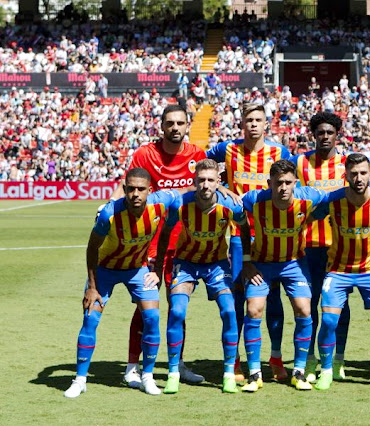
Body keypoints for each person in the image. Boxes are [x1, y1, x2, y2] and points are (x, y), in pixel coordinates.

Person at [64, 168, 179, 398]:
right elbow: (92, 248)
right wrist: (93, 287)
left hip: (137, 270)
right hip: (105, 271)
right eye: (131, 189)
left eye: (141, 189)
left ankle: (147, 376)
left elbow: (170, 224)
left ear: (150, 190)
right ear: (124, 189)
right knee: (90, 318)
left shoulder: (162, 203)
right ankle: (80, 380)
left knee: (153, 317)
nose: (135, 193)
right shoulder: (109, 214)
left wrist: (157, 269)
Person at [118, 104, 208, 389]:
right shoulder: (145, 154)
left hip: (184, 245)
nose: (175, 128)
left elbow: (205, 190)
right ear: (162, 126)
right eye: (170, 123)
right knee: (146, 307)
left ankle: (176, 364)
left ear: (187, 126)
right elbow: (129, 187)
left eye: (180, 123)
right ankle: (132, 367)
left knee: (177, 308)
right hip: (149, 244)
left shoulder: (197, 155)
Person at [207, 103, 291, 382]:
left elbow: (292, 186)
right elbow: (198, 163)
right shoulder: (227, 149)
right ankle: (235, 361)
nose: (253, 124)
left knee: (273, 297)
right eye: (248, 120)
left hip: (270, 236)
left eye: (258, 120)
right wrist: (219, 185)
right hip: (236, 237)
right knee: (237, 298)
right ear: (242, 124)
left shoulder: (279, 152)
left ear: (266, 124)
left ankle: (276, 357)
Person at [312, 153, 370, 391]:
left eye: (363, 173)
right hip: (338, 270)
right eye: (354, 173)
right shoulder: (332, 200)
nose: (359, 178)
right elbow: (306, 216)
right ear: (346, 176)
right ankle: (326, 370)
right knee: (329, 320)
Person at [157, 159, 245, 395]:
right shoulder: (181, 204)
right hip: (185, 264)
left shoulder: (231, 206)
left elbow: (245, 230)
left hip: (216, 265)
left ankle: (228, 373)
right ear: (194, 182)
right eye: (201, 180)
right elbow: (165, 233)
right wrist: (158, 267)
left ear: (219, 182)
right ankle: (174, 372)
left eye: (210, 180)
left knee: (229, 310)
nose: (205, 185)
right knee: (176, 311)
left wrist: (245, 262)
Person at [239, 159, 325, 392]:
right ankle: (255, 373)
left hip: (293, 263)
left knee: (305, 309)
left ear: (295, 183)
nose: (283, 188)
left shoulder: (309, 197)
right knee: (253, 309)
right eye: (278, 183)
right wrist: (246, 261)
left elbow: (333, 200)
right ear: (269, 183)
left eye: (288, 182)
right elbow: (239, 220)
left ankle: (298, 371)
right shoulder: (254, 200)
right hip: (262, 264)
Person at [291, 112, 352, 382]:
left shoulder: (346, 164)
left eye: (330, 133)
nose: (325, 137)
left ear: (337, 134)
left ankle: (337, 359)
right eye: (320, 133)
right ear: (313, 135)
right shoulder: (300, 163)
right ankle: (311, 360)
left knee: (340, 305)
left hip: (340, 246)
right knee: (310, 303)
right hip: (308, 246)